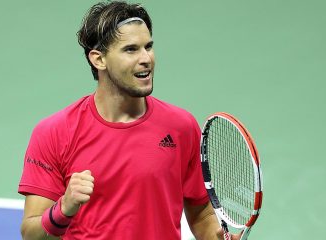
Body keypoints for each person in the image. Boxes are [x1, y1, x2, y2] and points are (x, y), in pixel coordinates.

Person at [18, 1, 240, 239]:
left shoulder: (181, 127)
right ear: (99, 59)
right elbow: (31, 234)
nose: (146, 58)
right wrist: (64, 209)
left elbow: (201, 213)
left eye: (149, 46)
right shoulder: (54, 132)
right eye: (131, 49)